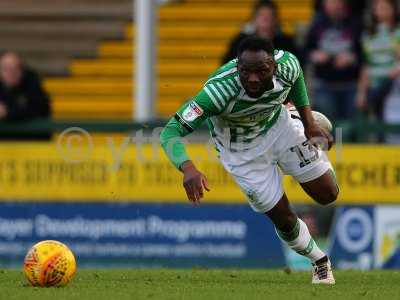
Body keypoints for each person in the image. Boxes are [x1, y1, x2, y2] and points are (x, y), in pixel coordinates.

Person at [160, 36, 338, 284]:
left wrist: (309, 125)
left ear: (273, 67)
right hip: (242, 154)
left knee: (328, 194)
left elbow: (296, 79)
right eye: (246, 72)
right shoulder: (218, 91)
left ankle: (293, 116)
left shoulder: (288, 64)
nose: (253, 78)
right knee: (285, 220)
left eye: (261, 71)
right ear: (237, 68)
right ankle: (320, 261)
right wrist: (187, 168)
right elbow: (170, 131)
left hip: (280, 129)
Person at [304, 0, 362, 122]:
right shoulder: (316, 24)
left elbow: (364, 53)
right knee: (328, 125)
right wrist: (315, 55)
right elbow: (305, 51)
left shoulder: (355, 23)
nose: (335, 4)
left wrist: (351, 58)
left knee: (348, 126)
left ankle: (342, 141)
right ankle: (336, 142)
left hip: (350, 84)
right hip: (324, 85)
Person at [356, 0, 400, 141]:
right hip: (374, 86)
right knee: (378, 124)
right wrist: (361, 92)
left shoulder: (397, 32)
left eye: (386, 8)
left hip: (392, 85)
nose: (383, 11)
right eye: (379, 8)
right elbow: (366, 65)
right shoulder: (368, 35)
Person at [222, 1, 297, 64]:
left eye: (270, 17)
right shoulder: (240, 43)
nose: (266, 21)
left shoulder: (286, 44)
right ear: (253, 20)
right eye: (262, 17)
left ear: (276, 20)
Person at [0, 52, 50, 139]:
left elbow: (39, 108)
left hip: (32, 142)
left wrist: (7, 112)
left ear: (21, 70)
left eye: (14, 68)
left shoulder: (32, 83)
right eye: (6, 68)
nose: (11, 72)